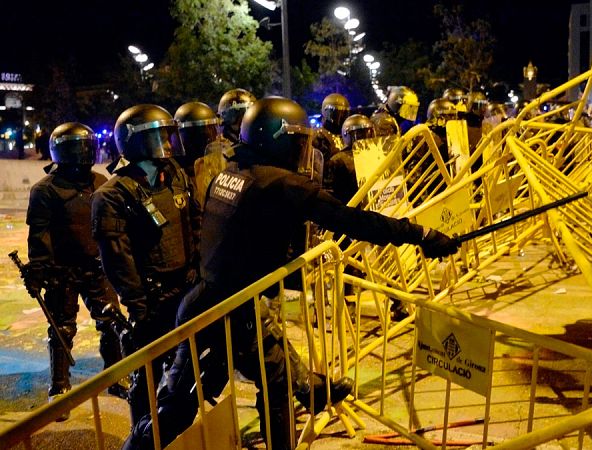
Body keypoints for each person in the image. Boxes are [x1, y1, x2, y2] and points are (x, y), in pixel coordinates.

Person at [123, 97, 459, 450]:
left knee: (271, 378)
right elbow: (354, 222)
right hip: (227, 313)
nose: (302, 150)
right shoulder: (280, 184)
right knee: (176, 411)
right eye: (298, 141)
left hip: (215, 302)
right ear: (276, 138)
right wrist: (419, 235)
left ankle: (312, 391)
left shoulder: (231, 171)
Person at [91, 104, 199, 426]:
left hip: (186, 289)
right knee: (147, 379)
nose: (167, 143)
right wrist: (138, 305)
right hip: (151, 300)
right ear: (135, 141)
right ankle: (144, 437)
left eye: (168, 135)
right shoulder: (111, 195)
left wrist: (195, 269)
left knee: (190, 368)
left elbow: (193, 223)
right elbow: (117, 258)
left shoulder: (175, 175)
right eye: (158, 136)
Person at [25, 122, 127, 421]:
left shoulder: (98, 181)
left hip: (96, 267)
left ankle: (115, 375)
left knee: (111, 321)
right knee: (62, 329)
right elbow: (39, 234)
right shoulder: (45, 190)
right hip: (62, 271)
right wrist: (39, 269)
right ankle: (59, 387)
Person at [174, 101, 222, 209]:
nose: (211, 138)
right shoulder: (176, 173)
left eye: (212, 130)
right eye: (204, 133)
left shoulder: (218, 163)